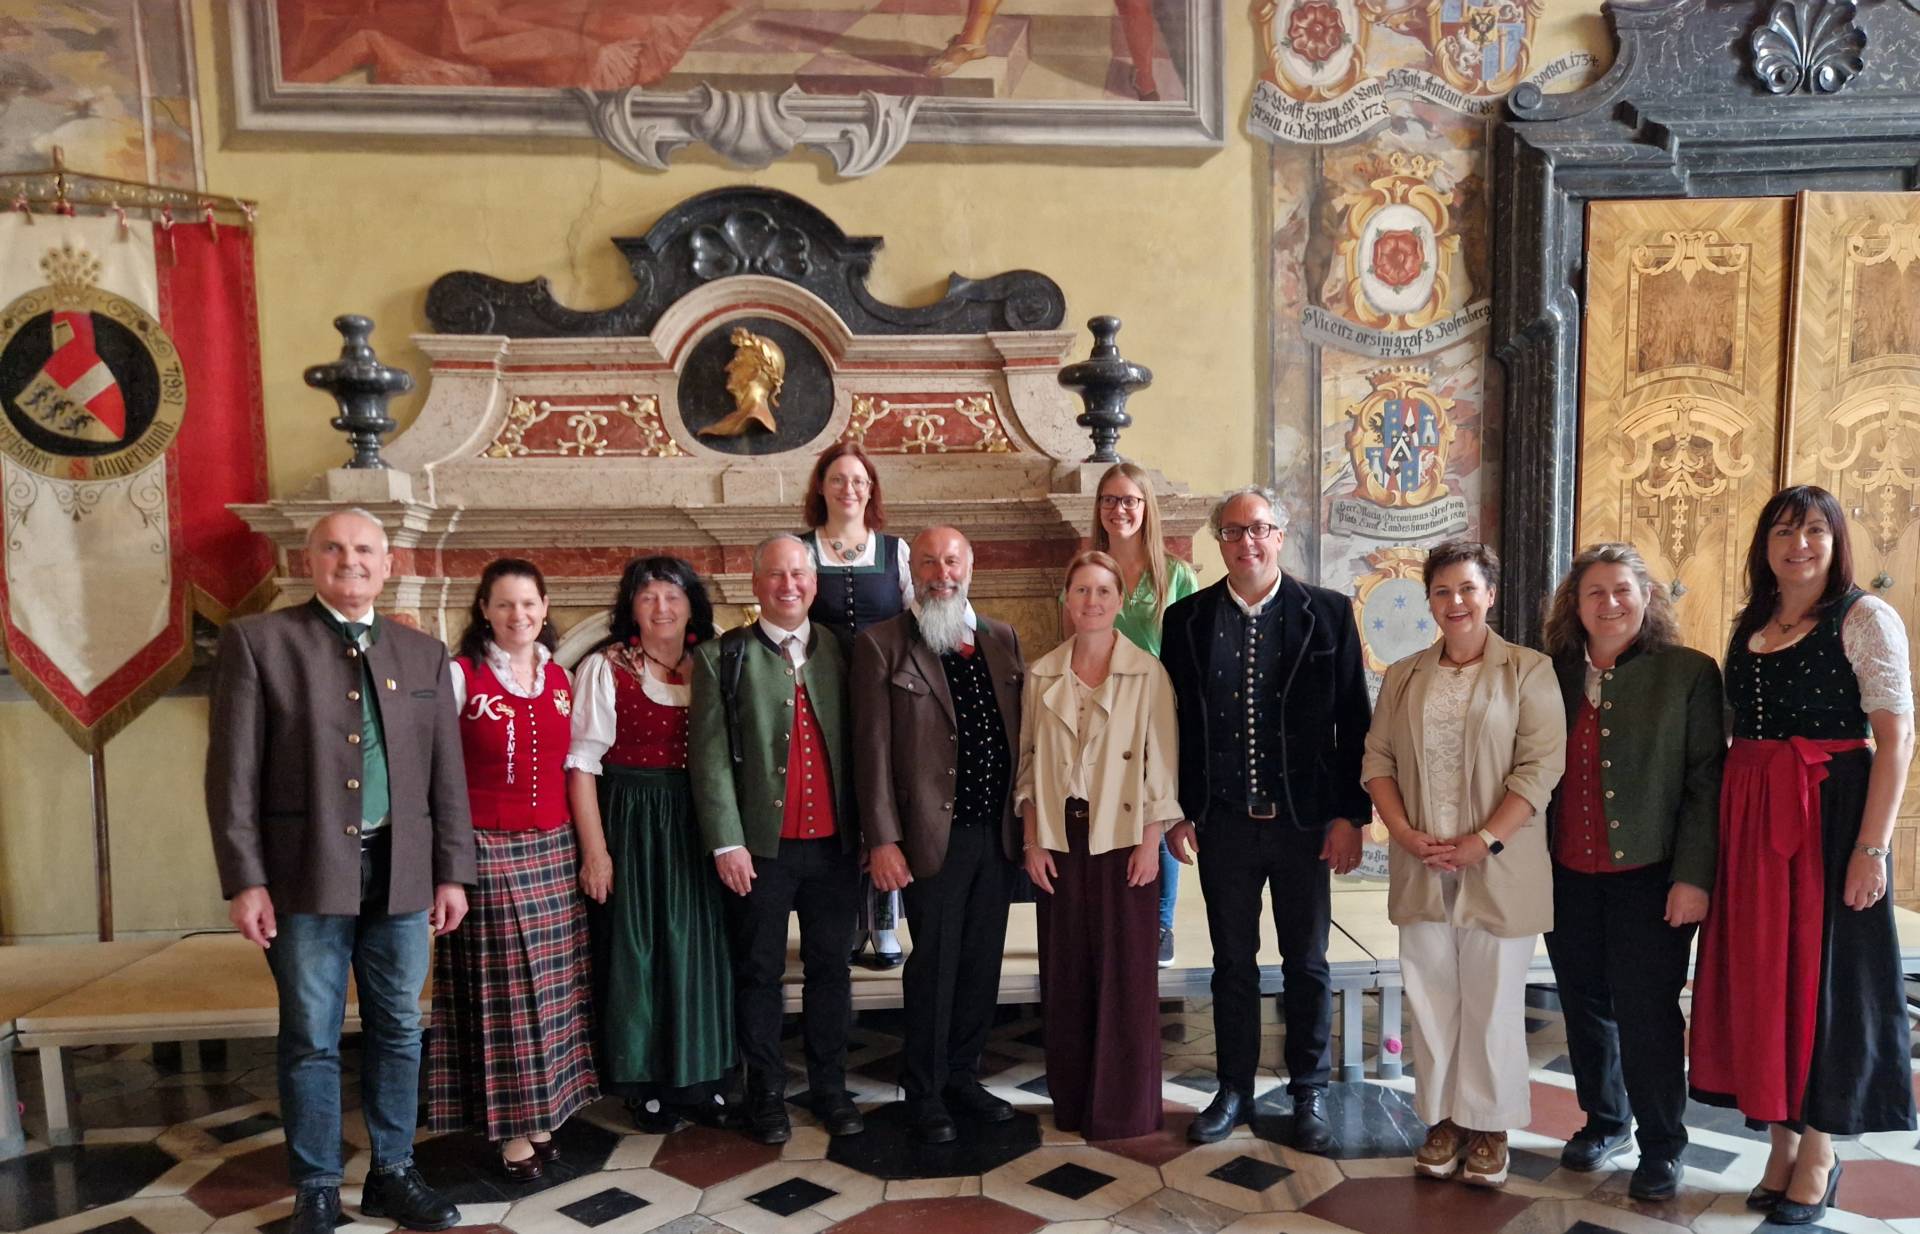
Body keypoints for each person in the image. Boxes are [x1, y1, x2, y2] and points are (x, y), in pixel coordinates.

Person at [206, 508, 474, 1234]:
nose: (349, 561)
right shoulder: (260, 642)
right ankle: (317, 1186)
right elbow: (231, 774)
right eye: (334, 549)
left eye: (364, 550)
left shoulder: (424, 654)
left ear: (387, 565)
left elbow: (445, 774)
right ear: (308, 560)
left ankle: (392, 1171)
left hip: (403, 875)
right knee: (311, 1035)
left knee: (397, 1027)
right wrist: (245, 879)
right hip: (301, 877)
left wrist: (453, 873)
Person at [1690, 486, 1916, 1226]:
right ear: (1766, 544)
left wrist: (1870, 849)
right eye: (1785, 531)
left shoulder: (1864, 617)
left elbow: (1896, 740)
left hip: (1828, 815)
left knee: (1824, 983)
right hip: (1752, 818)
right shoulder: (1753, 621)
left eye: (1815, 530)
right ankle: (1780, 1146)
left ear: (1837, 539)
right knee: (1768, 979)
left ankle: (1819, 1148)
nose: (1800, 545)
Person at [1161, 486, 1370, 1151]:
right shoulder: (1186, 620)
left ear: (1281, 535)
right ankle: (1233, 1088)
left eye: (1259, 529)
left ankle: (1308, 1091)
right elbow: (1174, 728)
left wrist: (1350, 815)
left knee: (1306, 962)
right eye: (1232, 531)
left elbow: (1354, 724)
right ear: (1217, 541)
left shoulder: (1329, 613)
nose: (1246, 542)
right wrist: (1177, 811)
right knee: (1232, 964)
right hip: (1222, 821)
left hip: (1305, 824)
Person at [1360, 540, 1565, 1188]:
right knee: (1431, 995)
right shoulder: (1405, 675)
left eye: (1467, 589)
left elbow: (1540, 768)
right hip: (1422, 862)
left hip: (1496, 866)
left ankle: (1490, 1124)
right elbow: (1378, 761)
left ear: (1491, 594)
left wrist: (1485, 840)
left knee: (1493, 1000)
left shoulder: (1528, 671)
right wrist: (1402, 832)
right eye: (1443, 591)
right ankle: (1442, 1119)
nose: (1455, 602)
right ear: (1429, 600)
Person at [1538, 544, 1722, 1199]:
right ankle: (1604, 1120)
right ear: (1575, 604)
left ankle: (1663, 1144)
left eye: (1623, 590)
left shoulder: (1689, 674)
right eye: (1595, 592)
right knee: (1585, 1006)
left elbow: (1706, 783)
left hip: (1654, 876)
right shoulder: (1548, 675)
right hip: (1564, 873)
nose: (1610, 603)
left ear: (1646, 597)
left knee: (1647, 1012)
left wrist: (1694, 877)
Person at [690, 534, 865, 1145]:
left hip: (835, 848)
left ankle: (830, 1087)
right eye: (775, 575)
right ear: (756, 582)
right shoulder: (723, 657)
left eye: (799, 574)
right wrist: (727, 843)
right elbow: (708, 760)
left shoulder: (842, 652)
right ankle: (765, 1092)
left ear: (813, 584)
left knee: (830, 971)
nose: (788, 585)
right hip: (760, 852)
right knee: (758, 972)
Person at [852, 526, 1026, 1143]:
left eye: (951, 561)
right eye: (928, 562)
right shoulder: (882, 645)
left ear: (970, 565)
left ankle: (962, 1075)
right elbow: (870, 754)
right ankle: (922, 1088)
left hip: (996, 836)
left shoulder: (1004, 640)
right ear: (912, 572)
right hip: (930, 840)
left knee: (981, 965)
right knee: (935, 965)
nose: (941, 573)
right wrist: (882, 840)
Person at [427, 558, 598, 1181]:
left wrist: (589, 849)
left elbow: (577, 765)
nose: (518, 616)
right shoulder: (460, 675)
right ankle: (510, 1128)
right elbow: (433, 768)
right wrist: (443, 860)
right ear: (484, 611)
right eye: (504, 605)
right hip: (485, 847)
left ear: (546, 608)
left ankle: (544, 1111)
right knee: (504, 993)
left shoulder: (561, 677)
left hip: (553, 850)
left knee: (552, 990)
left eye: (528, 604)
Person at [565, 556, 734, 1132]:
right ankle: (645, 1080)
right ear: (630, 607)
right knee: (639, 949)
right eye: (647, 596)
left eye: (673, 595)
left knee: (699, 946)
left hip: (700, 817)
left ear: (692, 604)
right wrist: (595, 850)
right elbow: (582, 763)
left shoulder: (712, 660)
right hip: (632, 819)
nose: (661, 607)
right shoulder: (605, 667)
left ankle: (701, 1073)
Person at [1017, 550, 1181, 1140]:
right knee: (1066, 973)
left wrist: (1150, 843)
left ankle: (1124, 1108)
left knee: (1126, 978)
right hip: (1062, 839)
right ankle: (1073, 1101)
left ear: (1119, 601)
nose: (1091, 601)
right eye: (1081, 590)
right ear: (1067, 600)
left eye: (1102, 591)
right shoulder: (1041, 674)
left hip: (1124, 839)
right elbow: (1029, 766)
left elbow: (1162, 767)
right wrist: (1033, 842)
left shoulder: (1148, 672)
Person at [799, 441, 914, 968]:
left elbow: (919, 622)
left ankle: (886, 922)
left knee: (883, 805)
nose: (850, 489)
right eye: (839, 479)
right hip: (817, 696)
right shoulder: (800, 551)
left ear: (872, 491)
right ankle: (844, 921)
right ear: (821, 487)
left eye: (859, 481)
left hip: (886, 694)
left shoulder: (896, 552)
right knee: (836, 807)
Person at [1085, 461, 1199, 967]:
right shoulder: (1089, 567)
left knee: (1157, 807)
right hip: (1101, 707)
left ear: (1146, 506)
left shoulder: (1173, 574)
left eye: (1130, 499)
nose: (1120, 509)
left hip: (1157, 707)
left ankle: (1162, 921)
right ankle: (1111, 912)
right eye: (1110, 500)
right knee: (1106, 804)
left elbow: (1192, 652)